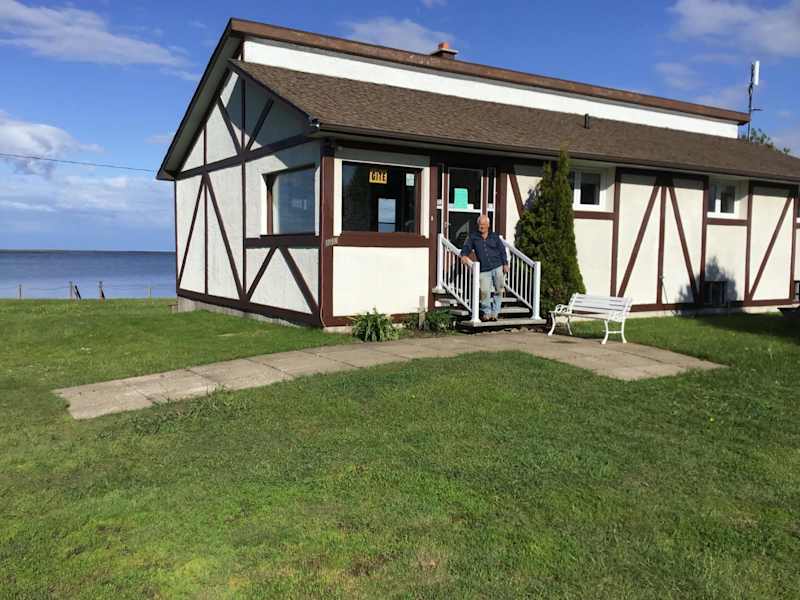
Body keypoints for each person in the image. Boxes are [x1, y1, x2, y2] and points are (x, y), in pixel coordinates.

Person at [460, 214, 509, 321]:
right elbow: (467, 247)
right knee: (484, 291)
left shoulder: (494, 236)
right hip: (484, 268)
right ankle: (487, 312)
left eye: (483, 224)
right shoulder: (473, 237)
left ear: (488, 225)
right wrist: (463, 255)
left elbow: (502, 250)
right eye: (480, 224)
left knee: (499, 290)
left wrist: (505, 264)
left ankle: (495, 313)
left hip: (497, 266)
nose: (481, 226)